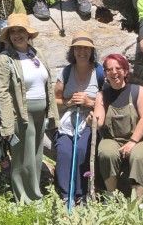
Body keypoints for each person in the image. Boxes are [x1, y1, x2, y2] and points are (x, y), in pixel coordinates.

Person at [0, 13, 59, 203]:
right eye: (12, 32)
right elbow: (2, 92)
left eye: (20, 30)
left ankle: (33, 193)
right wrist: (7, 123)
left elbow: (47, 84)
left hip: (40, 114)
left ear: (28, 33)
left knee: (36, 156)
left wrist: (52, 113)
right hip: (20, 115)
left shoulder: (36, 54)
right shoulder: (5, 59)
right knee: (23, 158)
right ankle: (26, 199)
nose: (16, 35)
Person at [94, 54, 143, 199]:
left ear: (126, 71)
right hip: (113, 139)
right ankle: (111, 195)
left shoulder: (138, 91)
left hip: (140, 139)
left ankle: (137, 201)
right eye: (109, 69)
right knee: (106, 152)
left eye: (118, 68)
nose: (114, 72)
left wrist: (132, 142)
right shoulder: (102, 95)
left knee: (138, 156)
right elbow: (99, 121)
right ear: (106, 73)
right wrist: (93, 121)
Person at [53, 32, 101, 203]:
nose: (82, 52)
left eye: (86, 48)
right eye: (78, 48)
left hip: (89, 122)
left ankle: (81, 192)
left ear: (91, 51)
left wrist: (90, 102)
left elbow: (107, 102)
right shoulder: (65, 72)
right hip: (67, 122)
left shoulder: (99, 72)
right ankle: (66, 194)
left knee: (81, 149)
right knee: (64, 151)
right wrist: (68, 101)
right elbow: (55, 101)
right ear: (72, 51)